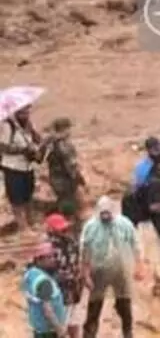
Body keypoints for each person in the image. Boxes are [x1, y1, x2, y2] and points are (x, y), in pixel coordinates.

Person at [78, 198, 143, 338]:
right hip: (98, 269)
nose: (105, 217)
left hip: (121, 269)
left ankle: (128, 332)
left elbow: (135, 244)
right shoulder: (91, 226)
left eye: (108, 214)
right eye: (103, 214)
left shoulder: (124, 224)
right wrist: (85, 273)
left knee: (124, 303)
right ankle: (89, 333)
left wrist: (139, 266)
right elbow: (85, 249)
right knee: (95, 304)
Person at [4, 101, 43, 231]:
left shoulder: (27, 124)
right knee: (16, 197)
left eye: (27, 111)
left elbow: (37, 139)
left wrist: (36, 137)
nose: (26, 114)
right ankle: (22, 226)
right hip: (13, 167)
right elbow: (3, 146)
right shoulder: (7, 125)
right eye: (22, 112)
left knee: (28, 194)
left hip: (27, 166)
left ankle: (31, 220)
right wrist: (22, 149)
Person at [43, 215, 81, 338]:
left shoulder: (51, 245)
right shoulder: (71, 242)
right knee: (69, 320)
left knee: (66, 321)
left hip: (64, 288)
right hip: (68, 287)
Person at [43, 119, 85, 220]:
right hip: (65, 178)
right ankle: (69, 221)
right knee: (70, 202)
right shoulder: (64, 145)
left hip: (55, 176)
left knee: (63, 200)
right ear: (64, 129)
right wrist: (79, 178)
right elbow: (70, 164)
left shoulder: (49, 143)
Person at [23, 242, 67, 338]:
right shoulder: (44, 282)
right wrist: (60, 330)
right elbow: (48, 311)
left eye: (53, 256)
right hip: (49, 331)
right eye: (49, 258)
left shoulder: (30, 274)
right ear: (39, 260)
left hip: (38, 328)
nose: (53, 260)